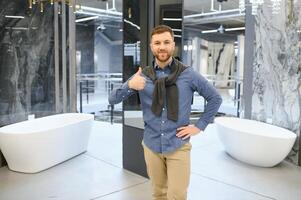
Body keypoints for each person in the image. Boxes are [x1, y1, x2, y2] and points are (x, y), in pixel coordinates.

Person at [109, 25, 222, 200]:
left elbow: (215, 98)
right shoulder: (143, 76)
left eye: (166, 42)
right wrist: (129, 86)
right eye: (157, 43)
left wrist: (200, 126)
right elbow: (112, 99)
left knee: (177, 195)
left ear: (173, 45)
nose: (162, 46)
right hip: (151, 144)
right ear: (152, 46)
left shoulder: (188, 74)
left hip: (178, 144)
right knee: (158, 193)